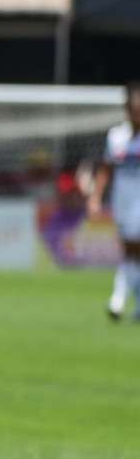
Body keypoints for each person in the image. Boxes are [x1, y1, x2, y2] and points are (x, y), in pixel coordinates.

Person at [90, 82, 140, 320]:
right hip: (123, 201)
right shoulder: (117, 137)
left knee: (133, 249)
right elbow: (106, 169)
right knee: (131, 253)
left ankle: (117, 299)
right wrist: (96, 196)